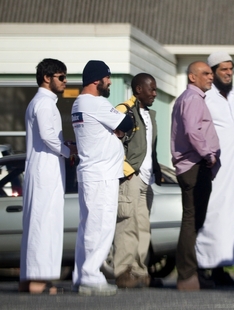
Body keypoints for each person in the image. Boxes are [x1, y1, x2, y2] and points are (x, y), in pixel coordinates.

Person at [72, 60, 134, 296]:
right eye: (107, 78)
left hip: (91, 174)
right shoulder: (94, 102)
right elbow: (126, 123)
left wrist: (114, 129)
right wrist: (118, 128)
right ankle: (91, 277)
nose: (109, 82)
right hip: (101, 176)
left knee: (88, 227)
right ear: (97, 80)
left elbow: (115, 127)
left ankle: (81, 275)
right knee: (100, 227)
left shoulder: (79, 103)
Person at [19, 58, 77, 295]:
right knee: (44, 225)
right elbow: (48, 137)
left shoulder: (41, 102)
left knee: (37, 225)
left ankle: (29, 279)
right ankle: (38, 282)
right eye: (61, 77)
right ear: (47, 78)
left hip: (44, 170)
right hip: (45, 172)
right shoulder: (44, 103)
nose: (65, 82)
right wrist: (68, 151)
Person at [194, 52, 234, 287]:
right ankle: (203, 267)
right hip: (215, 169)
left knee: (229, 218)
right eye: (223, 69)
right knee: (211, 217)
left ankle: (220, 268)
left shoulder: (233, 95)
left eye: (231, 69)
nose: (228, 73)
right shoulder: (206, 97)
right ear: (212, 72)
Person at [170, 61, 220, 291]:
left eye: (211, 73)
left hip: (196, 165)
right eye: (206, 73)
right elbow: (192, 131)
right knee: (191, 220)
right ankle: (187, 275)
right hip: (194, 165)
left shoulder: (190, 99)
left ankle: (192, 273)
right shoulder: (192, 99)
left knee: (195, 220)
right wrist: (208, 155)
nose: (211, 77)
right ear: (192, 77)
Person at [112, 73, 162, 288]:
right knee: (127, 224)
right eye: (151, 89)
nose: (154, 93)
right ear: (138, 89)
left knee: (143, 227)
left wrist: (157, 168)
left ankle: (140, 272)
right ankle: (123, 271)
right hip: (131, 177)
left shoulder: (150, 115)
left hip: (146, 179)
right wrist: (125, 170)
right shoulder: (124, 111)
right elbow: (113, 143)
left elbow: (150, 148)